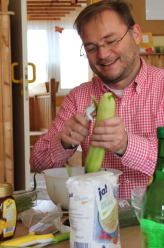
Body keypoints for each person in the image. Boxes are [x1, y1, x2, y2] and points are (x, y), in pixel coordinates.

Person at [30, 0, 164, 199]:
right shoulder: (78, 97)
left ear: (135, 34)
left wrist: (127, 145)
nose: (103, 54)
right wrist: (64, 143)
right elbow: (37, 163)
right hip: (95, 220)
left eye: (111, 41)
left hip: (154, 221)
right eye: (91, 47)